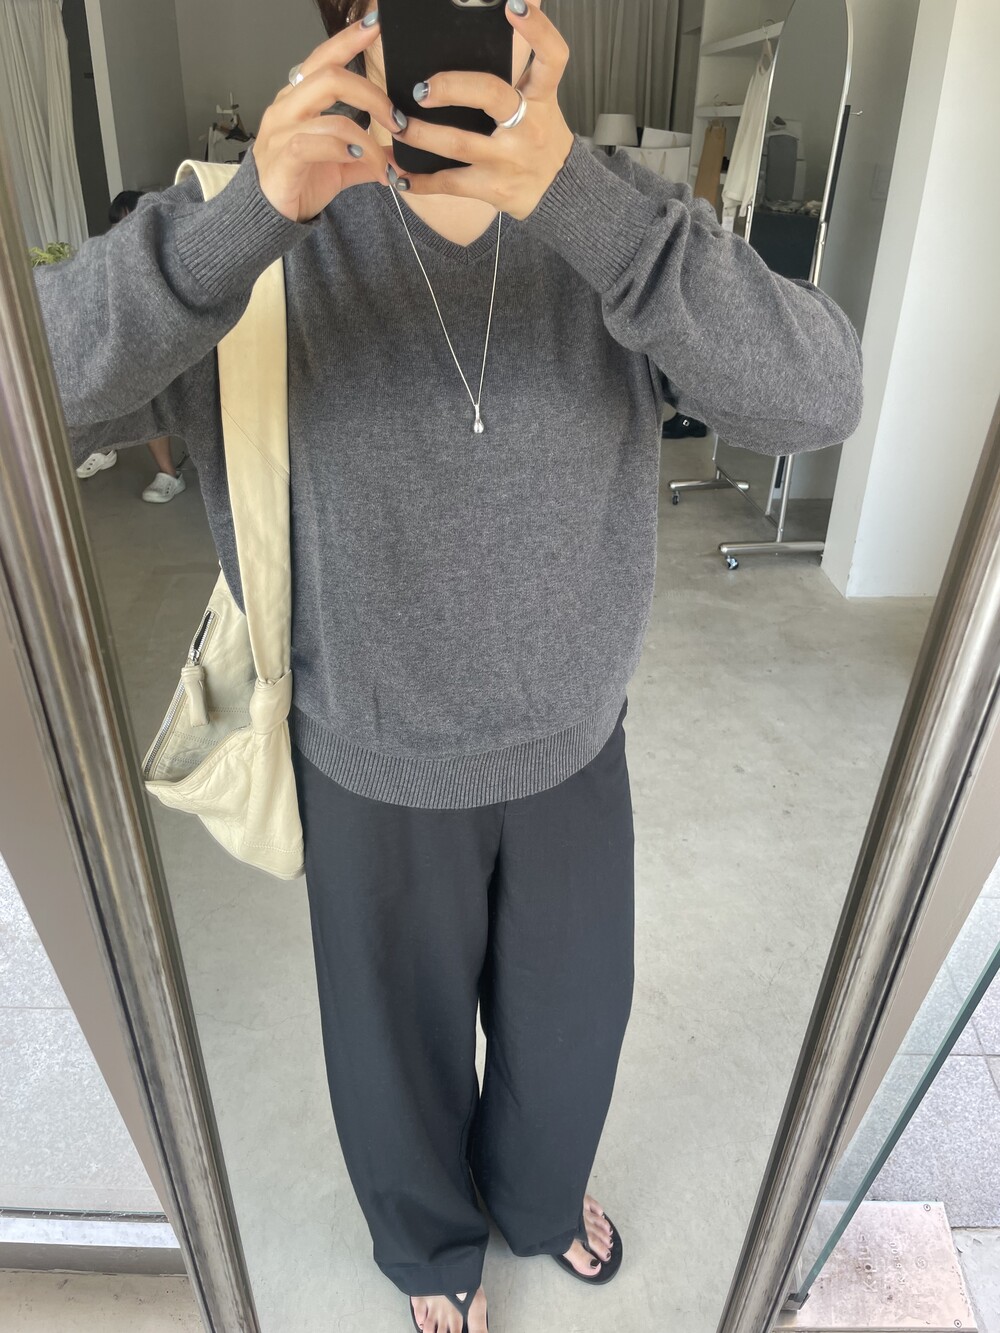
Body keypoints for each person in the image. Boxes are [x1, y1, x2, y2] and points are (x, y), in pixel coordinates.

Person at [33, 3, 864, 1330]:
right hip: (365, 751)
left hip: (574, 741)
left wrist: (580, 201)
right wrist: (242, 222)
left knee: (570, 1028)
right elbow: (33, 387)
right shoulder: (251, 226)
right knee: (393, 1053)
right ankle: (430, 1252)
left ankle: (539, 1199)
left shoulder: (615, 216)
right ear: (351, 25)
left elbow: (817, 397)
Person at [74, 190, 188, 504]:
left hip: (168, 349)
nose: (122, 232)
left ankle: (170, 475)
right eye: (117, 225)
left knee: (143, 390)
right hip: (132, 345)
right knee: (98, 376)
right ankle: (105, 448)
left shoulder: (170, 253)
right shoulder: (113, 258)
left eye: (129, 222)